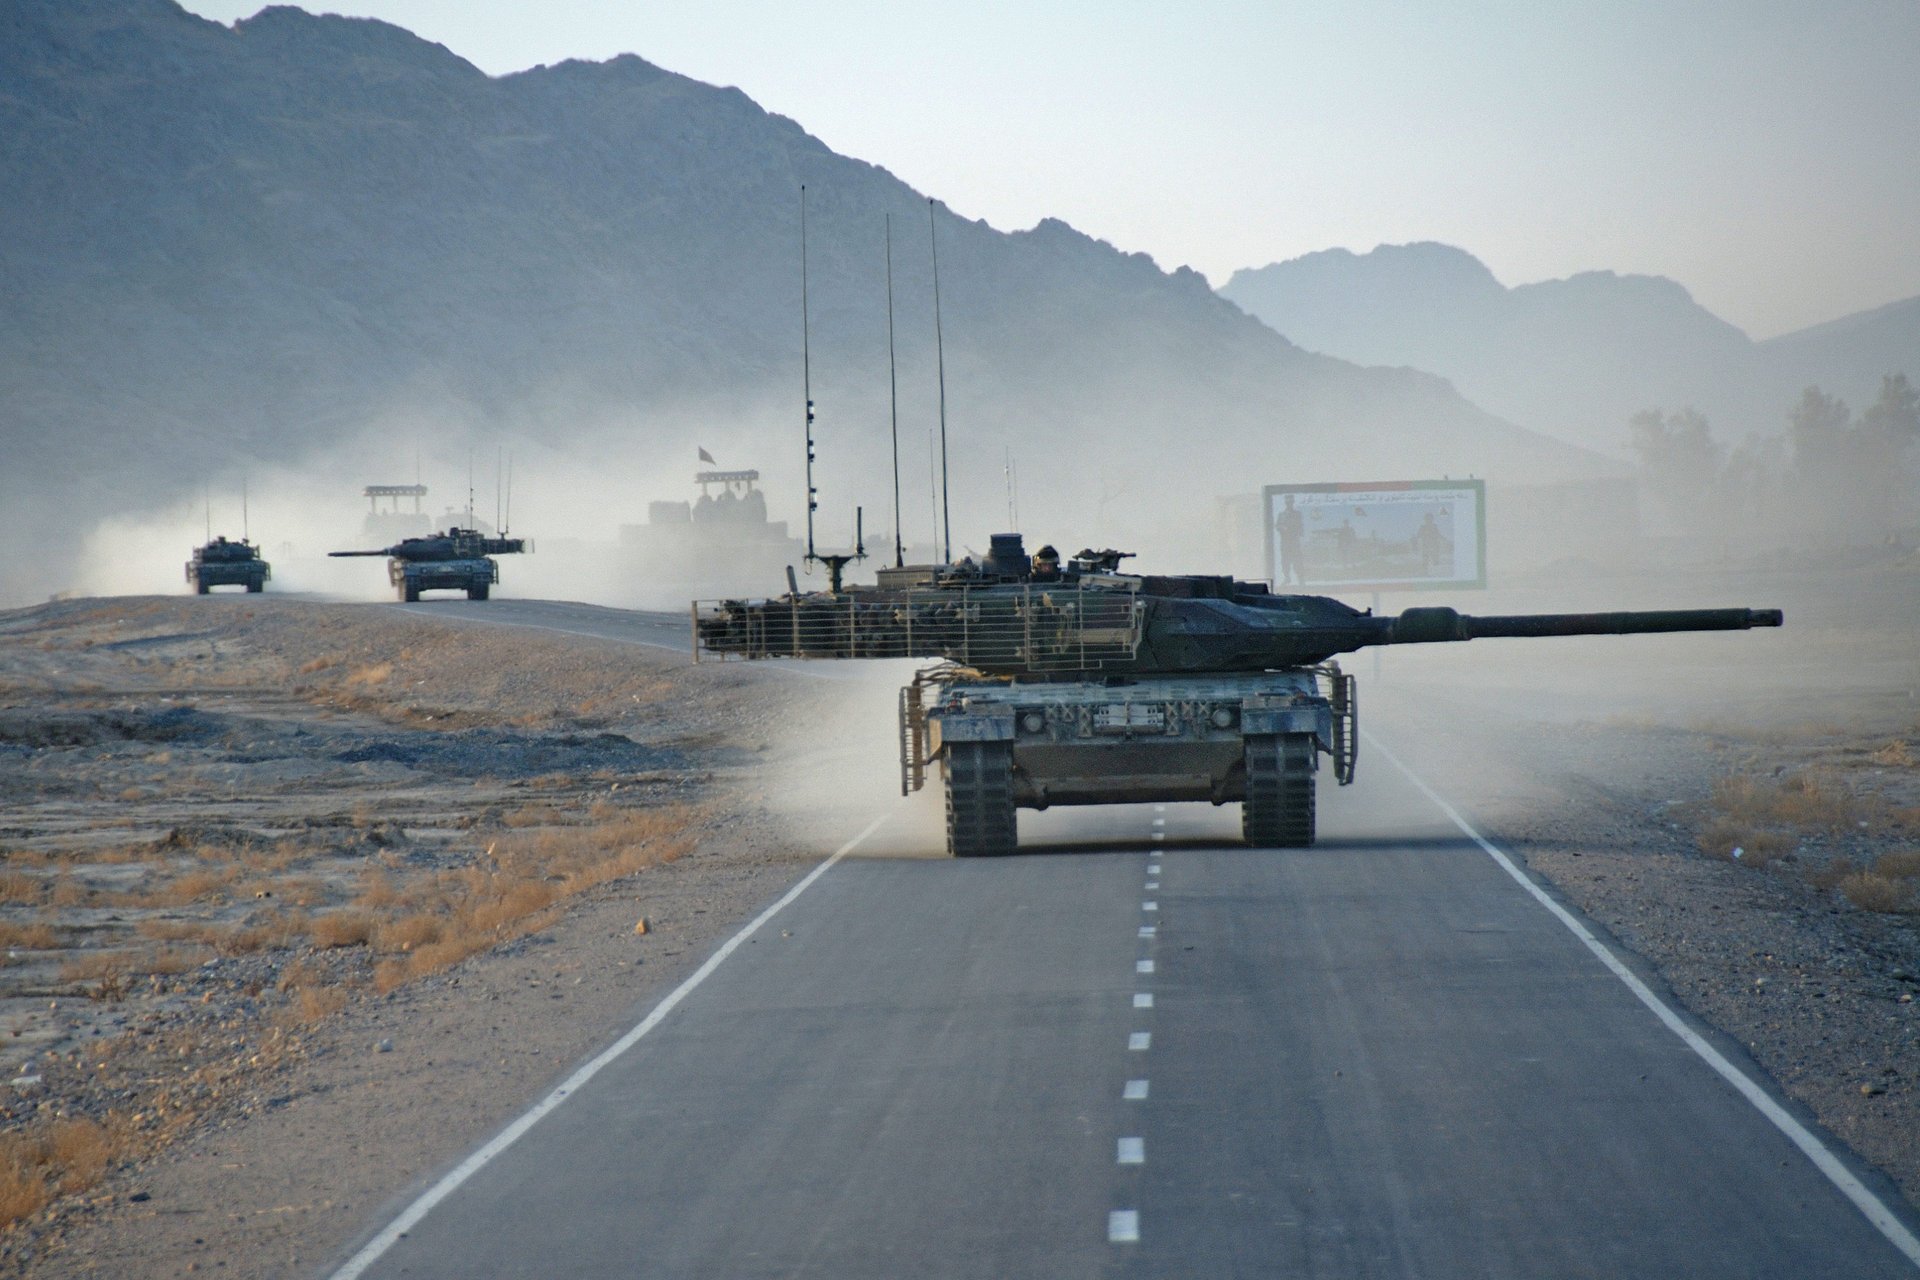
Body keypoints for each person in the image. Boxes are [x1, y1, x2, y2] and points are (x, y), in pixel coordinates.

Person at [1274, 494, 1305, 585]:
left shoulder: (1297, 514)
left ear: (1292, 502)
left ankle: (1301, 579)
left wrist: (1295, 530)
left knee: (1297, 560)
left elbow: (1300, 526)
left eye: (1290, 502)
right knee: (1285, 561)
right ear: (1285, 503)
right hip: (1285, 542)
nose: (1289, 504)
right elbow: (1277, 525)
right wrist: (1283, 528)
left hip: (1295, 541)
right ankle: (1287, 577)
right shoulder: (1281, 514)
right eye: (1287, 502)